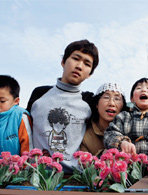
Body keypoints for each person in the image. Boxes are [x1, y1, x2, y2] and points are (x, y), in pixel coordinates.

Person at [27, 39, 99, 173]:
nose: (79, 66)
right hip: (38, 174)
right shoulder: (39, 94)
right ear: (63, 61)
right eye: (76, 58)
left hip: (73, 176)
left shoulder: (88, 101)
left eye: (87, 64)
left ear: (89, 74)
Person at [0, 75, 33, 155]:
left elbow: (28, 147)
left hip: (19, 166)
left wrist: (26, 167)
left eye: (2, 101)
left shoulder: (20, 117)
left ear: (16, 101)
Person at [80, 83, 128, 156]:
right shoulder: (85, 137)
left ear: (123, 106)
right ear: (97, 104)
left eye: (117, 99)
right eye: (106, 97)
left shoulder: (130, 128)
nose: (111, 103)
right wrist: (102, 155)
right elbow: (83, 164)